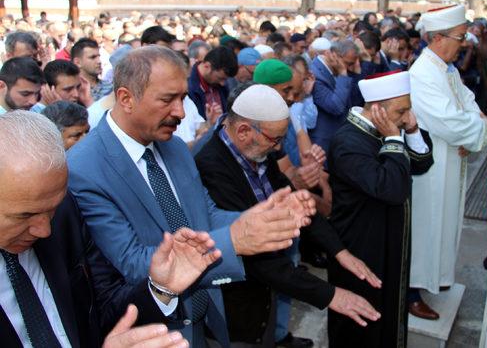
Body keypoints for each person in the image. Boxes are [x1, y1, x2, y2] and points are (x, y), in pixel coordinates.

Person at [67, 46, 315, 348]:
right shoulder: (84, 168)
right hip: (155, 334)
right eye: (167, 99)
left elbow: (205, 216)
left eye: (183, 97)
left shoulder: (173, 147)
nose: (181, 113)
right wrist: (235, 239)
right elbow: (132, 263)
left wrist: (260, 218)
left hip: (205, 320)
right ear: (125, 98)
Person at [0, 110, 225, 348]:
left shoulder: (65, 215)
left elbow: (102, 310)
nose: (44, 230)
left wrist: (160, 288)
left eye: (51, 210)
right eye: (24, 215)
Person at [193, 85, 381, 347]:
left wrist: (339, 251)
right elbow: (256, 255)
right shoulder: (211, 166)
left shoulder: (258, 149)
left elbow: (296, 203)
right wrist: (329, 295)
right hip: (238, 303)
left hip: (266, 291)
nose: (279, 147)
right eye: (275, 140)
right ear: (244, 130)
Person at [327, 71, 433, 348]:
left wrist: (409, 131)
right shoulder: (347, 143)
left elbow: (421, 164)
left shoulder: (387, 130)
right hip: (362, 247)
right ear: (377, 109)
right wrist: (394, 138)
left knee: (387, 314)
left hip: (388, 240)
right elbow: (392, 189)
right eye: (401, 110)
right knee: (361, 325)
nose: (406, 116)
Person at [409, 5, 487, 316]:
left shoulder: (446, 68)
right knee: (426, 224)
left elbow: (469, 103)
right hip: (431, 163)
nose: (464, 43)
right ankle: (411, 291)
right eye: (460, 37)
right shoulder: (423, 73)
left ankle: (437, 277)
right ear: (436, 38)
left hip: (450, 157)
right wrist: (482, 127)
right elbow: (447, 121)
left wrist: (476, 126)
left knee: (446, 220)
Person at [308, 40, 352, 155]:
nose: (348, 66)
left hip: (340, 134)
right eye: (347, 62)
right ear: (330, 54)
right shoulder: (315, 74)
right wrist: (342, 73)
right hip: (324, 141)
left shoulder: (332, 68)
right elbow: (335, 107)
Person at [188, 46, 238, 119]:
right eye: (220, 78)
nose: (223, 83)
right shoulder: (188, 88)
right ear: (207, 66)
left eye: (225, 79)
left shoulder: (221, 85)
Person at [71, 38, 110, 103]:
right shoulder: (72, 92)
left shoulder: (111, 89)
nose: (99, 61)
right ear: (77, 62)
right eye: (93, 57)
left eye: (99, 57)